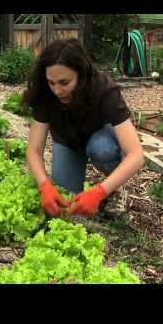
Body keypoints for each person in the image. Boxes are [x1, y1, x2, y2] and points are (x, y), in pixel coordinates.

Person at [23, 38, 144, 218]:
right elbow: (34, 149)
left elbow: (136, 155)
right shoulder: (45, 94)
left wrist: (100, 192)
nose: (57, 90)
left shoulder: (104, 90)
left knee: (102, 149)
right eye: (51, 82)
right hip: (68, 142)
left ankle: (116, 187)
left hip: (100, 139)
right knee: (67, 207)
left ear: (81, 75)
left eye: (64, 82)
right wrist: (44, 185)